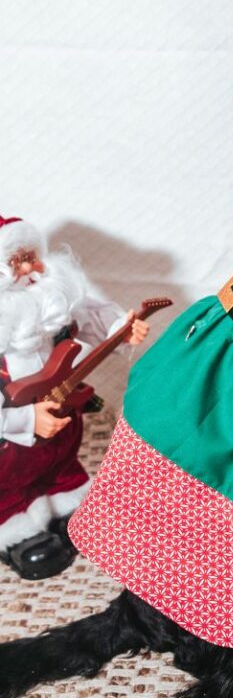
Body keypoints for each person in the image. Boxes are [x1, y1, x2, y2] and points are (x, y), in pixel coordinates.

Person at [0, 215, 149, 579]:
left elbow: (91, 313)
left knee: (59, 461)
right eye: (14, 261)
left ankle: (64, 504)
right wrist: (26, 420)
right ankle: (17, 534)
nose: (29, 269)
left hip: (61, 412)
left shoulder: (50, 300)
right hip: (10, 436)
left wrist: (120, 327)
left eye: (31, 256)